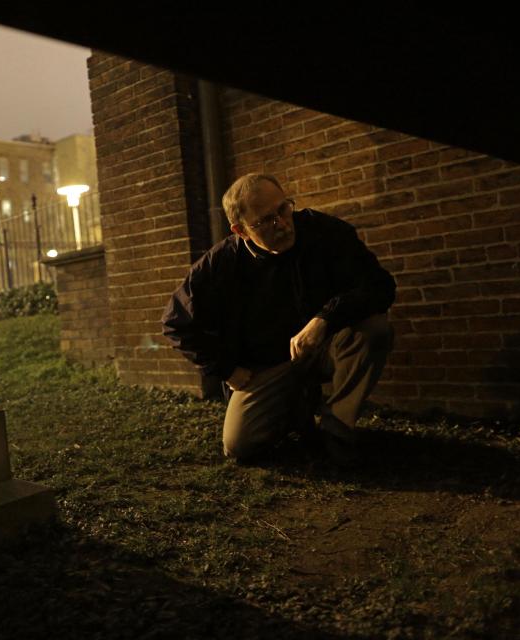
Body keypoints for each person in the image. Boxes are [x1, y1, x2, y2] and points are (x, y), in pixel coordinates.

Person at [161, 173, 396, 464]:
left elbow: (379, 284)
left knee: (374, 330)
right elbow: (176, 322)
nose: (282, 224)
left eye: (284, 209)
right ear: (241, 230)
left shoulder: (324, 231)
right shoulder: (220, 263)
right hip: (266, 366)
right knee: (239, 445)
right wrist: (227, 369)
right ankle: (296, 412)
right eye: (265, 221)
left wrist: (324, 319)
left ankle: (336, 433)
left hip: (326, 346)